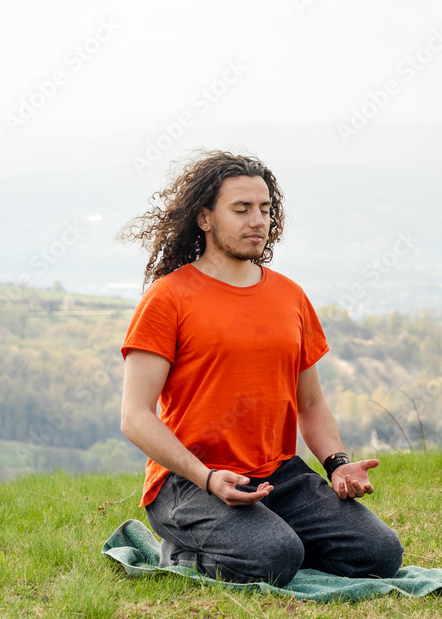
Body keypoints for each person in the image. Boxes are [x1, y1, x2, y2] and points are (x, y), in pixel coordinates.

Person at [117, 150, 403, 586]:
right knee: (275, 555)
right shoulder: (168, 298)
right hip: (188, 480)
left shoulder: (290, 296)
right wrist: (207, 478)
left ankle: (261, 537)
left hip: (276, 474)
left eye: (265, 209)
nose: (258, 220)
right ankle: (183, 551)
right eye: (242, 209)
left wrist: (338, 463)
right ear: (205, 219)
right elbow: (135, 417)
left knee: (379, 553)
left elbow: (311, 403)